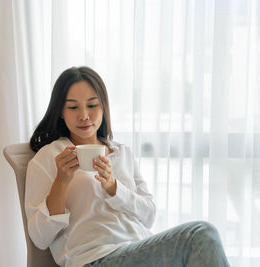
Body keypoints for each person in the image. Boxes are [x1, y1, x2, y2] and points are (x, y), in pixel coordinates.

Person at [25, 66, 230, 267]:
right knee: (201, 234)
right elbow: (40, 238)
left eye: (92, 105)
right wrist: (61, 181)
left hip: (139, 249)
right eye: (73, 107)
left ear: (104, 108)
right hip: (93, 258)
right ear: (60, 111)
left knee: (201, 245)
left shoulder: (122, 153)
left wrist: (114, 188)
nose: (84, 115)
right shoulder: (50, 157)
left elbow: (148, 216)